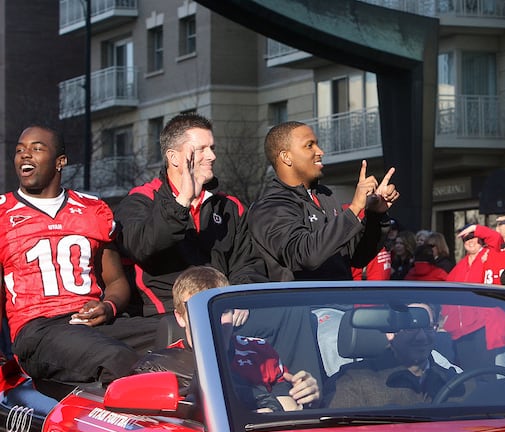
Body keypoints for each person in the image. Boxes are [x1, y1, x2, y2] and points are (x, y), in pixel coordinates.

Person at [0, 125, 157, 385]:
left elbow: (116, 280)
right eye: (19, 150)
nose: (25, 155)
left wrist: (108, 306)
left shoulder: (92, 209)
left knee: (182, 332)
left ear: (60, 161)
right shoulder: (3, 213)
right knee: (115, 357)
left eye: (36, 148)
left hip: (93, 324)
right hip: (40, 331)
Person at [114, 113, 268, 317]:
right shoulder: (139, 201)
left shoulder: (229, 207)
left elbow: (249, 264)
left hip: (222, 312)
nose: (212, 156)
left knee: (291, 321)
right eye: (201, 149)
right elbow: (142, 246)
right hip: (163, 318)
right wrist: (182, 203)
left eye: (212, 148)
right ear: (174, 157)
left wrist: (239, 298)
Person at [133, 266, 319, 411]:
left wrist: (306, 394)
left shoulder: (260, 351)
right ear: (180, 318)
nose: (215, 321)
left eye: (223, 311)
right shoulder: (161, 366)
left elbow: (288, 405)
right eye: (202, 313)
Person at [248, 121, 399, 281]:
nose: (320, 151)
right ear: (286, 156)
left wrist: (375, 215)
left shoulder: (325, 196)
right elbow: (305, 256)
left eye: (317, 144)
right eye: (309, 145)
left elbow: (357, 257)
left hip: (339, 304)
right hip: (301, 304)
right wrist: (354, 209)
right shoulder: (269, 207)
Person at [324, 303, 460, 408]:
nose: (422, 337)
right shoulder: (353, 382)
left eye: (428, 327)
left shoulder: (454, 381)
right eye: (410, 328)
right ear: (390, 332)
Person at [444, 226, 505, 371]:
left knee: (486, 371)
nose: (470, 241)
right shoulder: (460, 266)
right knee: (468, 372)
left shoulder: (489, 255)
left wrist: (475, 228)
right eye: (466, 238)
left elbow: (496, 239)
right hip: (460, 330)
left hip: (482, 326)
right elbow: (447, 294)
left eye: (473, 237)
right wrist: (446, 317)